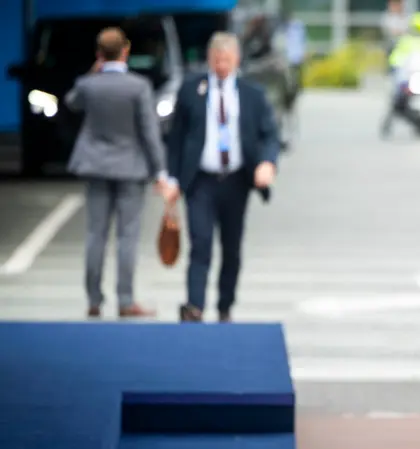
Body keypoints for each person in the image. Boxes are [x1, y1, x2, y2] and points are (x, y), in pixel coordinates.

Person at [162, 31, 279, 323]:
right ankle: (195, 306)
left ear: (237, 59)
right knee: (200, 243)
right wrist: (171, 179)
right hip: (201, 180)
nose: (222, 66)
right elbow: (176, 138)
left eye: (227, 60)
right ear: (209, 59)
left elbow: (269, 134)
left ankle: (225, 305)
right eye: (217, 60)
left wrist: (267, 163)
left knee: (231, 247)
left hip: (236, 181)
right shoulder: (192, 90)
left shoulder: (252, 95)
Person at [65, 26, 167, 319]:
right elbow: (149, 132)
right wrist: (160, 171)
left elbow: (71, 102)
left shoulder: (88, 85)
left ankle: (94, 299)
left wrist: (91, 72)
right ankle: (125, 300)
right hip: (130, 168)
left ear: (99, 54)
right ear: (126, 51)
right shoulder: (138, 86)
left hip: (95, 166)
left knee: (95, 234)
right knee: (127, 236)